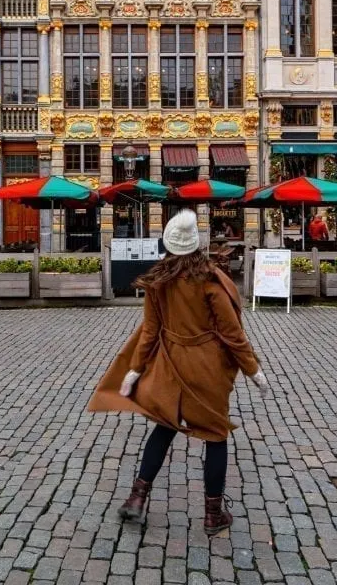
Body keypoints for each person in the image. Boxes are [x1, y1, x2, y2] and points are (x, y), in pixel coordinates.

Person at [88, 209, 268, 536]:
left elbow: (149, 333)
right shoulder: (210, 282)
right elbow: (232, 333)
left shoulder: (158, 281)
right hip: (207, 369)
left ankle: (137, 498)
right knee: (215, 438)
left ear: (168, 245)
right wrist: (253, 369)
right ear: (196, 245)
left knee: (164, 427)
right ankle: (213, 515)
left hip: (171, 366)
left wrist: (134, 371)